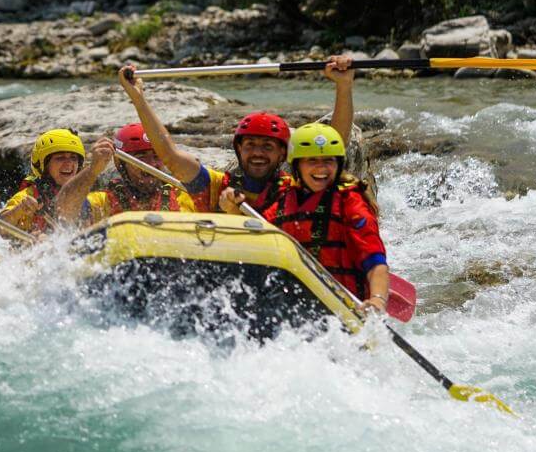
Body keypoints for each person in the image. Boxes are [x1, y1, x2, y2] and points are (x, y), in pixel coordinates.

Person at [116, 56, 355, 216]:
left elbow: (334, 145)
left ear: (283, 153)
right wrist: (138, 98)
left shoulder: (297, 189)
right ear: (239, 149)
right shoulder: (212, 185)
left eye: (268, 147)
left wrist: (343, 86)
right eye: (250, 145)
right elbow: (169, 154)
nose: (258, 153)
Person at [262, 123, 388, 313]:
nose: (321, 167)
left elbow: (375, 263)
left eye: (329, 160)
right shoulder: (281, 200)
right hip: (293, 304)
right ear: (297, 166)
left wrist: (378, 300)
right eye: (312, 160)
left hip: (343, 306)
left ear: (338, 165)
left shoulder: (351, 202)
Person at [55, 123, 197, 225]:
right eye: (141, 157)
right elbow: (64, 209)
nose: (152, 165)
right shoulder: (104, 202)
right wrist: (93, 170)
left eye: (156, 156)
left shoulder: (185, 196)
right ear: (122, 164)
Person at [0, 128, 85, 237]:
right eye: (60, 158)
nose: (69, 163)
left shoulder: (84, 193)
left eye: (73, 158)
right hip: (31, 249)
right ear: (44, 166)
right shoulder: (29, 196)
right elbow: (1, 227)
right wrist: (19, 210)